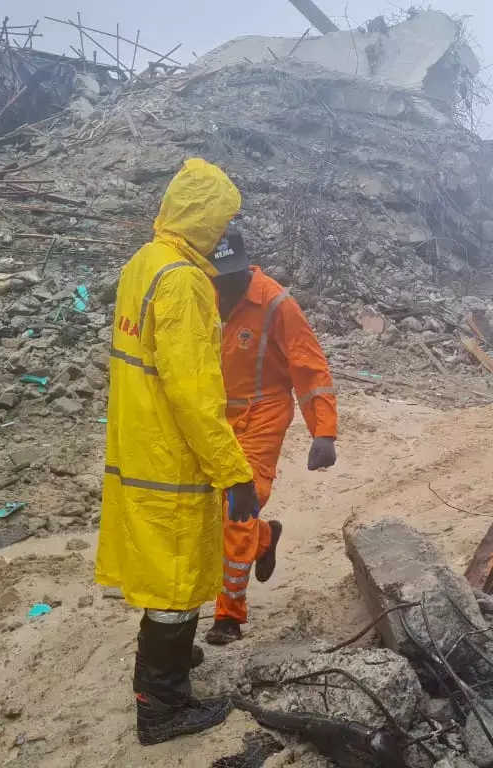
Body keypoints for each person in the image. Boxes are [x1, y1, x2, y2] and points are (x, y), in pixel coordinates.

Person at [95, 158, 260, 746]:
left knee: (167, 569)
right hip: (173, 458)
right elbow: (193, 394)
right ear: (203, 217)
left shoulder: (145, 262)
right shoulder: (185, 282)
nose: (223, 232)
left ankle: (173, 661)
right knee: (177, 579)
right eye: (222, 220)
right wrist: (234, 472)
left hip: (140, 447)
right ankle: (162, 707)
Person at [203, 222, 338, 646]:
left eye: (231, 278)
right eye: (217, 278)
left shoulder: (277, 304)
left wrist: (324, 432)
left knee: (237, 508)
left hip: (263, 416)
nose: (224, 286)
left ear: (246, 267)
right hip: (215, 418)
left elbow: (310, 368)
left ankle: (229, 614)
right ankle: (264, 538)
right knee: (206, 507)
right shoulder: (202, 295)